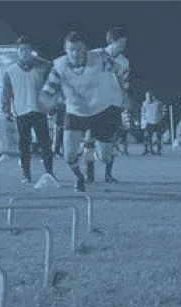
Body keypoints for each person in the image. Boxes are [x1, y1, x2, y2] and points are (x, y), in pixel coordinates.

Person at [40, 28, 129, 192]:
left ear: (85, 49)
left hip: (101, 111)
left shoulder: (100, 59)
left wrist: (121, 92)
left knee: (105, 157)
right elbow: (46, 92)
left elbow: (120, 72)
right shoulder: (59, 66)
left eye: (79, 49)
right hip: (75, 112)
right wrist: (51, 102)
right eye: (71, 50)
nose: (75, 53)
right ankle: (80, 178)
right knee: (69, 155)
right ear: (66, 50)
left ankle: (96, 154)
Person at [2, 35, 58, 186]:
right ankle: (26, 174)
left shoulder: (41, 68)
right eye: (21, 50)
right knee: (24, 145)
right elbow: (6, 93)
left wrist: (52, 106)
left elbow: (51, 85)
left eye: (27, 50)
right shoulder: (10, 71)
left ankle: (49, 173)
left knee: (45, 144)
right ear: (17, 51)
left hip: (39, 110)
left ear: (31, 51)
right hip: (21, 112)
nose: (25, 53)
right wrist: (6, 110)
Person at [141, 91, 164, 156]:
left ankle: (154, 150)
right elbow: (143, 112)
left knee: (154, 137)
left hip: (154, 122)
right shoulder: (146, 103)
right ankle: (151, 150)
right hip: (152, 122)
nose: (148, 97)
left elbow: (160, 112)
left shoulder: (157, 103)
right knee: (150, 137)